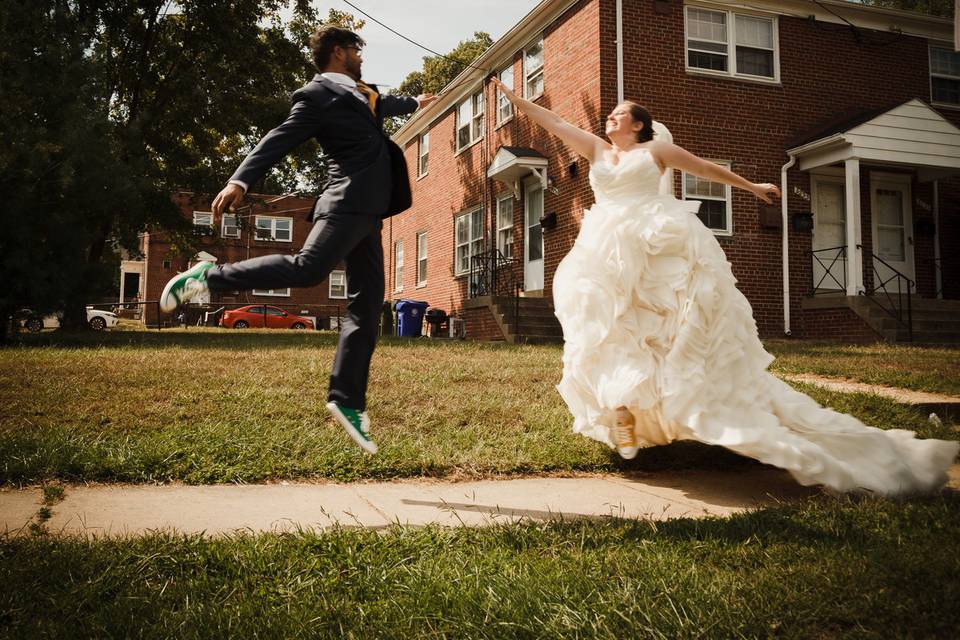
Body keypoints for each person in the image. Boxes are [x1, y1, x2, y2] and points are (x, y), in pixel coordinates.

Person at [492, 77, 958, 495]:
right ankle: (622, 405)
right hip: (605, 246)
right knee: (606, 325)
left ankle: (670, 400)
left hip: (656, 241)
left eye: (620, 113)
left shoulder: (654, 152)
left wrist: (753, 187)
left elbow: (704, 170)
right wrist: (515, 99)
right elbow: (553, 119)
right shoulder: (596, 150)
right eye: (611, 114)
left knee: (666, 324)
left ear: (638, 125)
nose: (610, 116)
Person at [160, 26, 437, 455]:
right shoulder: (316, 97)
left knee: (366, 306)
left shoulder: (365, 94)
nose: (362, 56)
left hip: (368, 213)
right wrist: (241, 180)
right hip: (344, 203)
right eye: (357, 50)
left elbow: (390, 103)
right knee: (309, 268)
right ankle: (205, 278)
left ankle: (347, 400)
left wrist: (418, 102)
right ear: (339, 52)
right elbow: (279, 138)